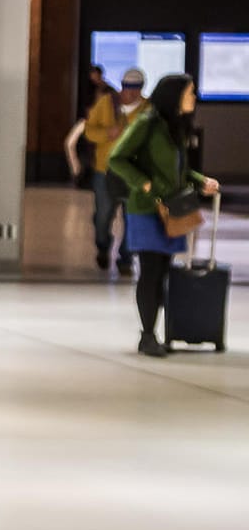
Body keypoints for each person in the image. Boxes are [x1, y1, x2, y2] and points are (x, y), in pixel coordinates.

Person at [108, 73, 221, 358]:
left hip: (171, 209)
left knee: (162, 273)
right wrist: (146, 184)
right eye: (190, 92)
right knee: (150, 271)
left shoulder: (176, 128)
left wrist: (198, 180)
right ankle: (147, 336)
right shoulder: (148, 122)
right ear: (175, 95)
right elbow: (117, 158)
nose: (194, 98)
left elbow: (176, 171)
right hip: (146, 209)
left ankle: (159, 332)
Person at [67, 66, 149, 275]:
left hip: (134, 173)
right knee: (103, 215)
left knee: (133, 218)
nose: (129, 92)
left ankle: (126, 258)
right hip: (105, 170)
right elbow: (89, 130)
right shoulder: (106, 104)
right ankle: (103, 246)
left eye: (134, 88)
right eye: (126, 87)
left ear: (141, 89)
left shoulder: (148, 110)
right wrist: (107, 133)